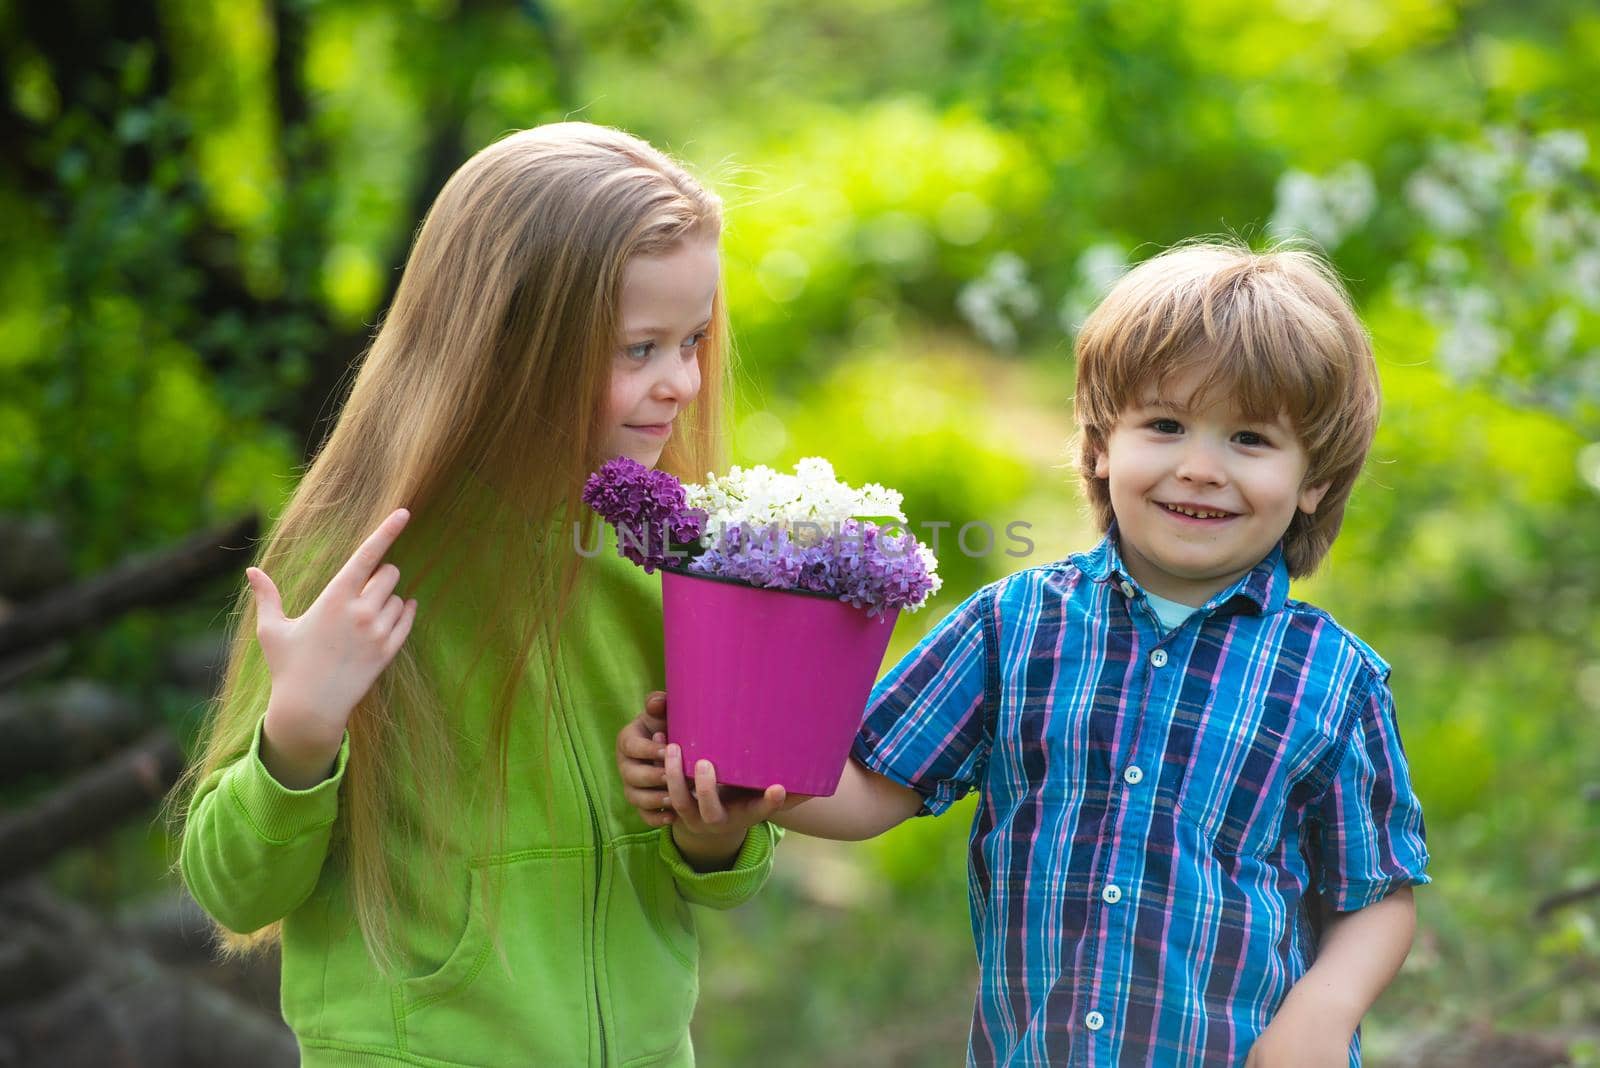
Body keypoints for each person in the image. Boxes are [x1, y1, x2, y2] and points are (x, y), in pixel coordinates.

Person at [620, 241, 1428, 1066]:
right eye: (1166, 425)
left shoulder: (1334, 680)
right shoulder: (1016, 625)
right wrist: (740, 764)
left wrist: (1326, 1008)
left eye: (1250, 440)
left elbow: (1377, 891)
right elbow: (866, 788)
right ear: (1102, 442)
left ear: (1314, 480)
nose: (1199, 468)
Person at [174, 122, 785, 1068]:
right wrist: (298, 730)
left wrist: (715, 834)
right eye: (638, 349)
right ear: (504, 344)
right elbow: (233, 892)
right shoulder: (363, 562)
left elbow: (718, 885)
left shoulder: (672, 558)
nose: (680, 384)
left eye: (694, 340)